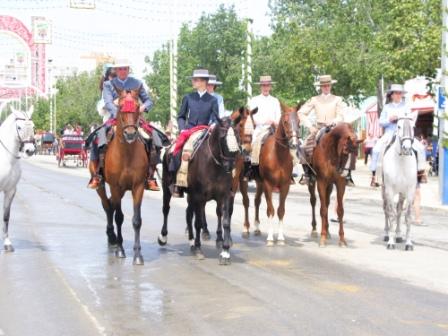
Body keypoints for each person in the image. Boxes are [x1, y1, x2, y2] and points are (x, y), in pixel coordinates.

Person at [88, 59, 154, 190]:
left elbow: (148, 101)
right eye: (119, 69)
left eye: (125, 68)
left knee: (154, 139)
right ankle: (97, 174)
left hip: (135, 120)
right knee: (98, 138)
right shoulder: (108, 85)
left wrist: (142, 108)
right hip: (115, 119)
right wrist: (119, 113)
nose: (122, 71)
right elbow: (108, 103)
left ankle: (150, 175)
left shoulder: (137, 83)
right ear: (116, 70)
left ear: (128, 69)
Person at [169, 68, 219, 198]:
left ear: (203, 82)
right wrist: (182, 128)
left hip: (205, 130)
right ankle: (177, 183)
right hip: (189, 130)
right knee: (177, 150)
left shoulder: (212, 100)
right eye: (194, 79)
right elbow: (181, 116)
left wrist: (213, 124)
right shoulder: (188, 97)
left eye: (195, 80)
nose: (193, 81)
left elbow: (215, 117)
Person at [297, 75, 355, 186]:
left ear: (331, 86)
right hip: (319, 127)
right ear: (321, 87)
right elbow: (301, 113)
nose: (326, 87)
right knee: (304, 146)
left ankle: (347, 174)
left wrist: (334, 121)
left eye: (328, 85)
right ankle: (307, 174)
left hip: (334, 127)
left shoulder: (338, 99)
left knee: (350, 144)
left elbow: (341, 114)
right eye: (324, 86)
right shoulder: (314, 99)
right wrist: (310, 126)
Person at [369, 84, 427, 187]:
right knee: (376, 149)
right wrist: (389, 120)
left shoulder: (406, 106)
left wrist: (402, 119)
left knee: (421, 148)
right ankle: (375, 176)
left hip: (404, 133)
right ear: (391, 95)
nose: (398, 95)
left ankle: (421, 173)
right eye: (396, 93)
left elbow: (411, 119)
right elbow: (381, 122)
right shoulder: (386, 107)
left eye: (400, 93)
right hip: (390, 132)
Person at [248, 75, 281, 167]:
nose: (266, 87)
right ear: (260, 87)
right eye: (264, 85)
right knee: (256, 143)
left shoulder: (275, 100)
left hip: (274, 129)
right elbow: (253, 118)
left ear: (270, 87)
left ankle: (290, 167)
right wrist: (264, 121)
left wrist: (275, 122)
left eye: (267, 85)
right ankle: (254, 166)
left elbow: (278, 116)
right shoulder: (254, 100)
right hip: (260, 129)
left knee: (287, 142)